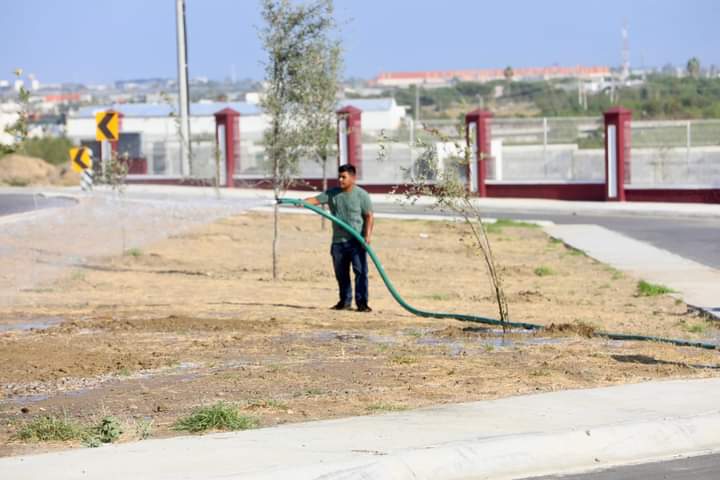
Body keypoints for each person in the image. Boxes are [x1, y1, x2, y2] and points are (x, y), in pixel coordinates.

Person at [304, 164, 374, 312]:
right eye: (339, 176)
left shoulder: (362, 195)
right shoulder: (333, 194)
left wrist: (367, 236)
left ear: (353, 178)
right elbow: (315, 200)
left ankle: (362, 304)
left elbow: (369, 216)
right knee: (341, 274)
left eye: (344, 177)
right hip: (338, 242)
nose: (340, 179)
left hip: (357, 241)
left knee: (360, 272)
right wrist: (301, 202)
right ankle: (344, 302)